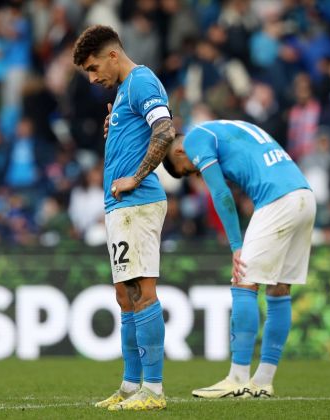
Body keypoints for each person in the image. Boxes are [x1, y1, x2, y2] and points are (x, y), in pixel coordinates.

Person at [163, 120, 315, 398]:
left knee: (243, 279)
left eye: (190, 171)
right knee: (280, 288)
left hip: (277, 199)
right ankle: (263, 381)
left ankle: (238, 378)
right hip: (304, 195)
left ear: (180, 154)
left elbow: (221, 193)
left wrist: (236, 245)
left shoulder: (195, 139)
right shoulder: (226, 127)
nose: (197, 175)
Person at [72, 25, 176, 411]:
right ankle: (132, 386)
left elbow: (165, 132)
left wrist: (136, 176)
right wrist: (114, 128)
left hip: (138, 203)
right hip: (120, 208)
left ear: (113, 55)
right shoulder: (124, 93)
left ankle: (154, 389)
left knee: (141, 292)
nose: (93, 77)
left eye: (94, 67)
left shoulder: (142, 81)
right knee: (124, 296)